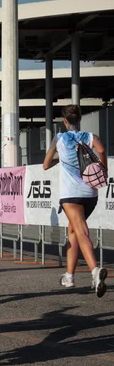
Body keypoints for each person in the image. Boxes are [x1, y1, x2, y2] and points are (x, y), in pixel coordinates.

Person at [43, 104, 108, 297]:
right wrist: (102, 168)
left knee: (80, 230)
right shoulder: (90, 136)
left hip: (70, 194)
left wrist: (60, 158)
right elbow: (102, 151)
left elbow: (46, 165)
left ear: (64, 120)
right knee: (73, 231)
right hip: (90, 193)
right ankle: (69, 276)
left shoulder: (60, 138)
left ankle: (95, 271)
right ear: (79, 119)